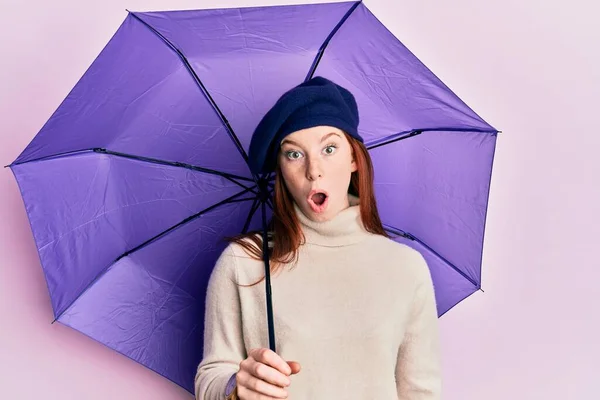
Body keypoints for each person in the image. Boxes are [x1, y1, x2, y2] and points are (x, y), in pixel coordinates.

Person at [194, 76, 441, 399]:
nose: (314, 170)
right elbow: (210, 378)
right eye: (294, 154)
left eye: (329, 148)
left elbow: (421, 392)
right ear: (280, 168)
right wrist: (236, 386)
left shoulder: (406, 267)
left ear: (354, 159)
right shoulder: (245, 261)